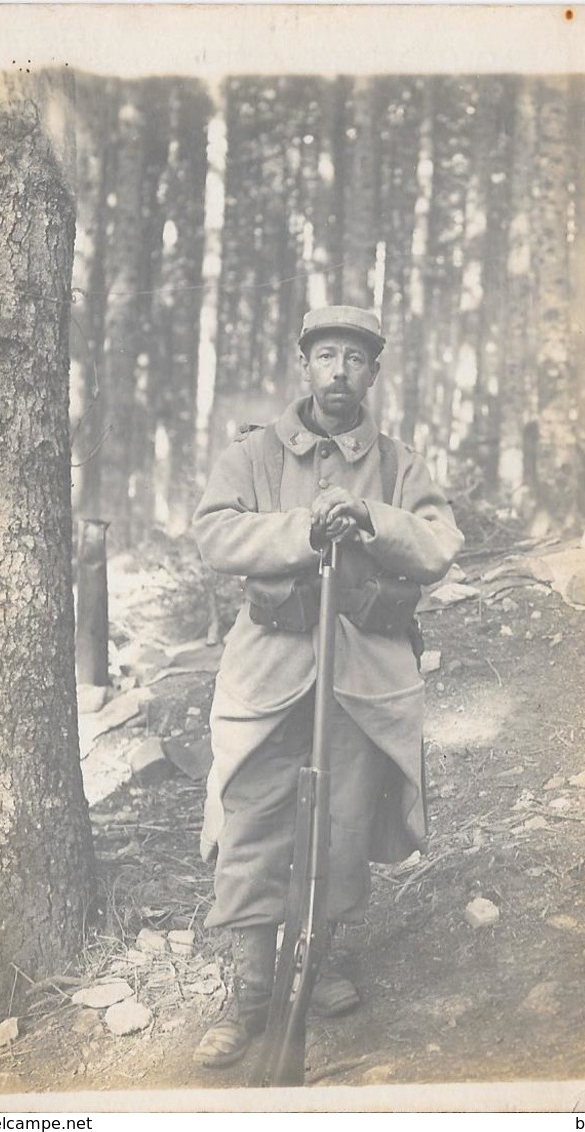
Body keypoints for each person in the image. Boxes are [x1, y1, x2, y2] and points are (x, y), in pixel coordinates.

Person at [191, 305, 464, 1069]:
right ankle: (248, 990)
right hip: (269, 667)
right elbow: (214, 532)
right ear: (302, 366)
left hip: (360, 670)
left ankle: (325, 961)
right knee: (252, 815)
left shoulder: (399, 462)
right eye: (326, 356)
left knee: (342, 819)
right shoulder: (251, 456)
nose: (339, 372)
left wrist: (370, 518)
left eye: (354, 359)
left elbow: (439, 542)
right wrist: (301, 530)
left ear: (372, 373)